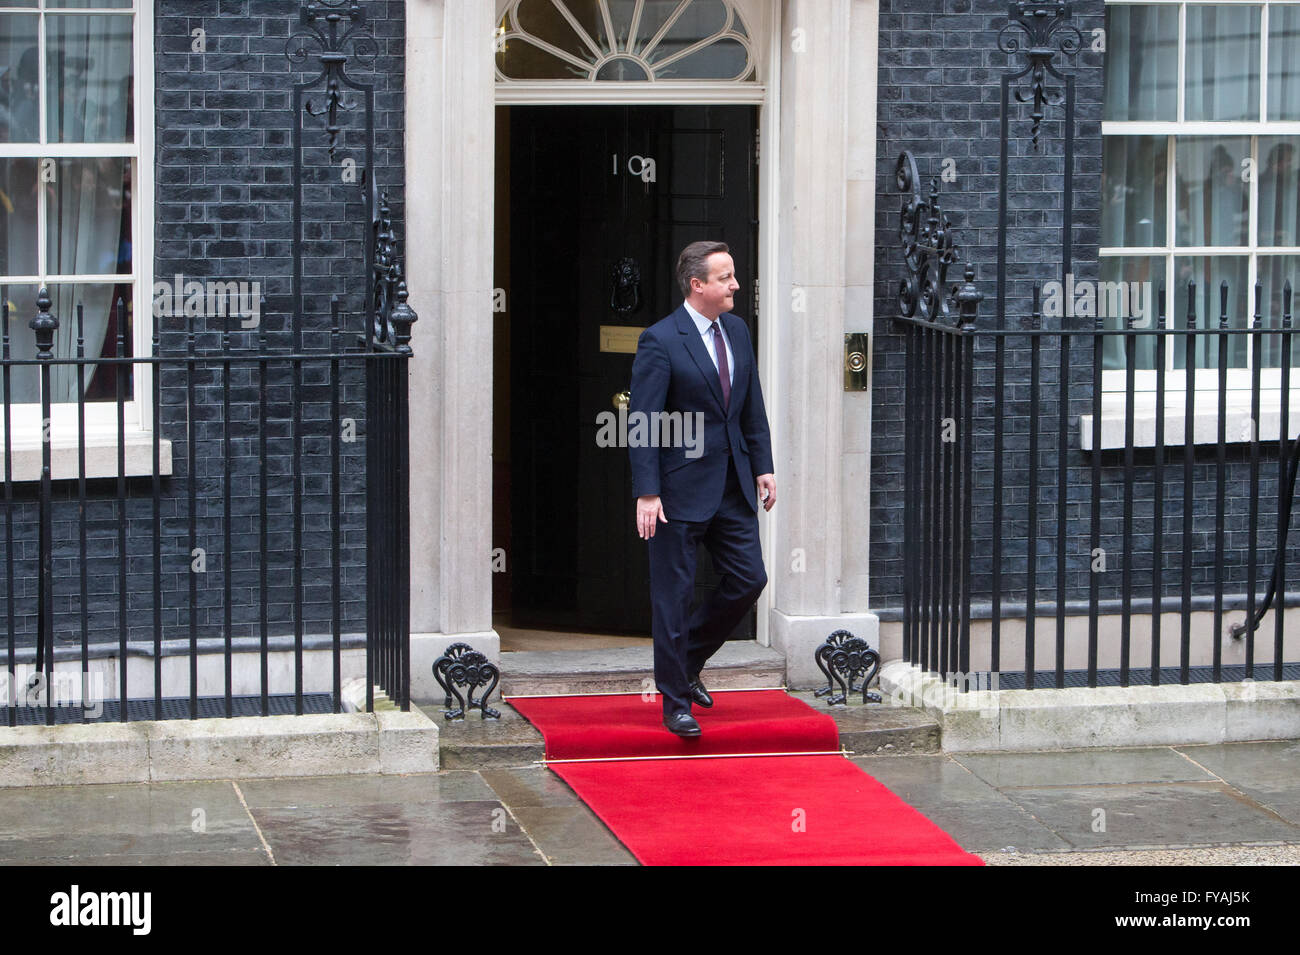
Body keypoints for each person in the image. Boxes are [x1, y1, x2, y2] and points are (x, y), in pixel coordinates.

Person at [628, 241, 775, 737]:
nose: (736, 285)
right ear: (698, 285)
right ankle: (675, 704)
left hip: (733, 484)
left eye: (733, 276)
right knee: (673, 595)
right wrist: (647, 491)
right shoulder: (660, 340)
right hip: (676, 492)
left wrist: (763, 465)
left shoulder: (737, 331)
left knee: (749, 578)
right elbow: (644, 421)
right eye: (726, 278)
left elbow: (751, 404)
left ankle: (686, 660)